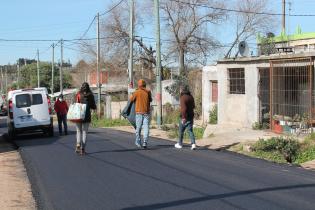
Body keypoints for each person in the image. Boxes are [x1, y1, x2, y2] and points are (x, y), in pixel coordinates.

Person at [75, 82, 96, 155]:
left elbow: (76, 103)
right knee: (84, 132)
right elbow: (93, 106)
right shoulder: (91, 95)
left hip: (78, 115)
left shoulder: (78, 94)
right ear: (88, 87)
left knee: (78, 131)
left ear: (82, 87)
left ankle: (78, 144)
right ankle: (82, 148)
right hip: (86, 116)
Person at [130, 79, 152, 149]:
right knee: (146, 128)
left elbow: (131, 100)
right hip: (146, 113)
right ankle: (145, 141)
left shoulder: (136, 92)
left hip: (139, 113)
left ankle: (138, 141)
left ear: (139, 85)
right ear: (145, 85)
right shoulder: (148, 92)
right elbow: (150, 100)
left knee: (138, 128)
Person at [175, 86, 197, 150]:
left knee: (181, 131)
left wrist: (183, 118)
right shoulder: (191, 96)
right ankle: (193, 144)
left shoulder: (182, 98)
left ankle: (180, 144)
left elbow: (183, 109)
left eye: (179, 90)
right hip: (191, 116)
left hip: (184, 117)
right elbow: (193, 106)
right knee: (190, 130)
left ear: (181, 90)